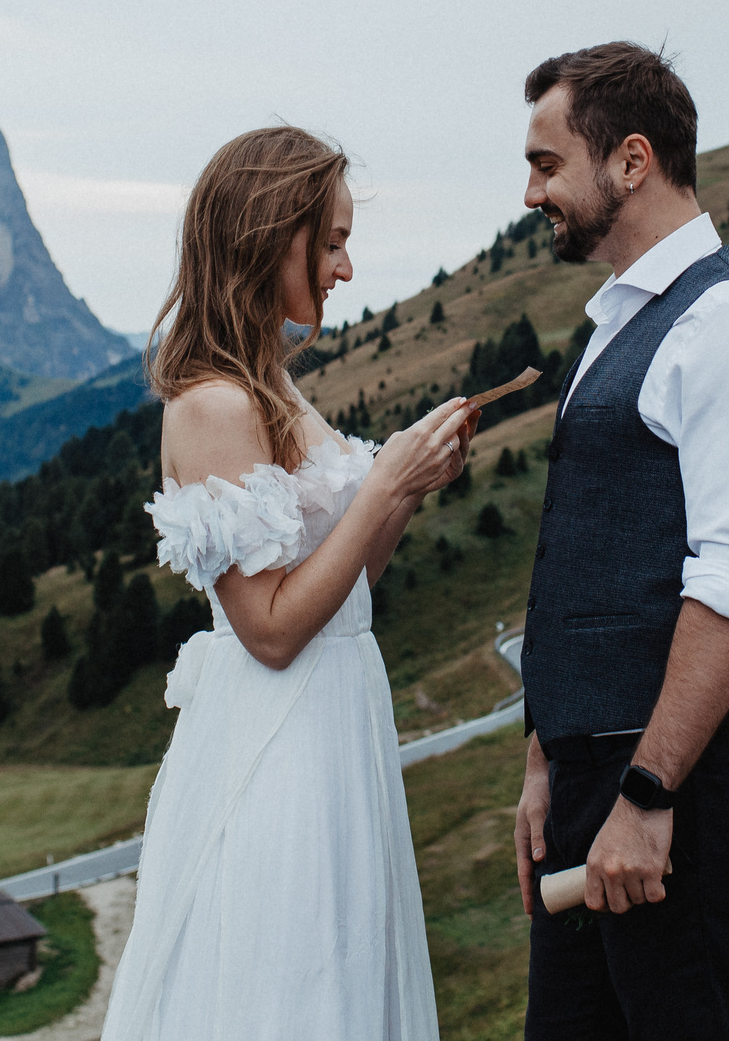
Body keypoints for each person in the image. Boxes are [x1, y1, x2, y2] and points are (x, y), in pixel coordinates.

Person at [101, 126, 475, 1041]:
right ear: (272, 236)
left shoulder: (272, 381)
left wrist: (407, 492)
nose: (346, 267)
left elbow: (345, 588)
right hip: (280, 740)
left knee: (340, 975)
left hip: (334, 718)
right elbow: (268, 627)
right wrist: (380, 482)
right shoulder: (216, 403)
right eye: (333, 241)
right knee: (289, 983)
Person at [512, 43, 729, 1041]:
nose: (531, 192)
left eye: (547, 163)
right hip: (590, 780)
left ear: (632, 161)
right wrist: (543, 763)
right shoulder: (620, 319)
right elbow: (583, 563)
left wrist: (649, 793)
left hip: (675, 792)